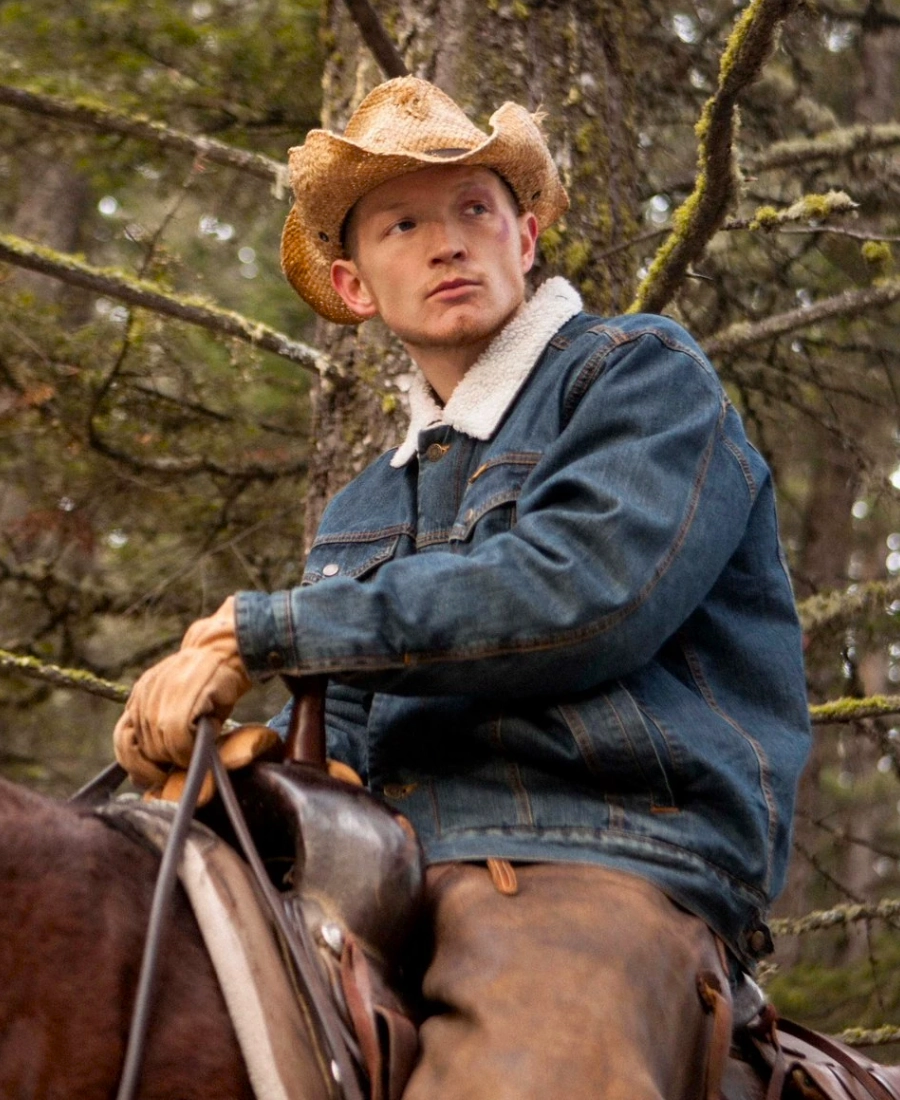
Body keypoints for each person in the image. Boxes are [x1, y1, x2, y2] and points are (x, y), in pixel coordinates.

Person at [114, 76, 811, 1099]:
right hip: (381, 874)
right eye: (403, 224)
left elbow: (581, 597)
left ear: (524, 241)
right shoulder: (362, 505)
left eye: (475, 211)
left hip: (599, 857)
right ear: (356, 289)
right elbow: (343, 726)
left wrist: (271, 629)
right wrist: (227, 761)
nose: (449, 242)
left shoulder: (636, 376)